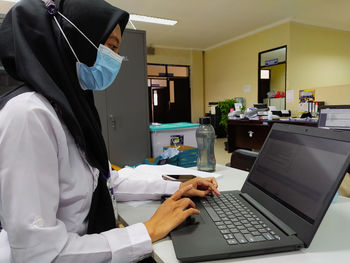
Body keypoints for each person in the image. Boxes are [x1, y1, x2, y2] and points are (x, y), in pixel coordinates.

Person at [0, 0, 220, 262]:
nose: (115, 59)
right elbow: (40, 254)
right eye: (111, 46)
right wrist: (146, 231)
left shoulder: (71, 107)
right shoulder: (29, 115)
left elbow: (106, 181)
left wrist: (177, 186)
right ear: (74, 41)